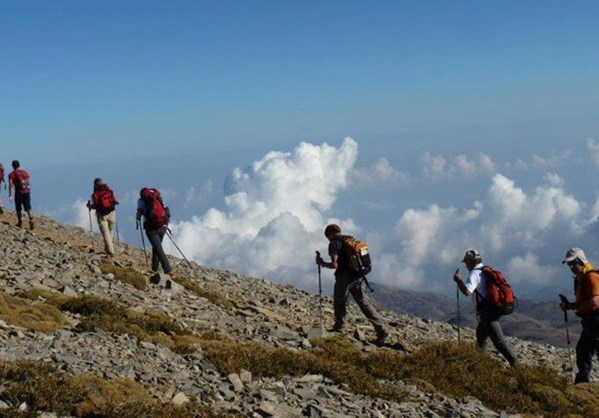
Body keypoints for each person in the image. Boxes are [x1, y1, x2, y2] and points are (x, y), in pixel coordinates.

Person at [316, 224, 388, 344]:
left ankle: (340, 328)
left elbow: (334, 265)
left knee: (339, 301)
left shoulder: (334, 243)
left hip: (344, 277)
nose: (328, 239)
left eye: (328, 236)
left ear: (331, 234)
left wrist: (322, 263)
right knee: (364, 304)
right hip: (359, 276)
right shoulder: (351, 241)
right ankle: (381, 330)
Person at [453, 249, 517, 366]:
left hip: (487, 312)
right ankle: (480, 362)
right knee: (481, 335)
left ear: (470, 261)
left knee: (498, 340)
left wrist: (459, 281)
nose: (466, 265)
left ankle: (516, 366)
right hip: (492, 309)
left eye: (466, 262)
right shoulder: (485, 269)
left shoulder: (474, 274)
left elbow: (467, 292)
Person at [560, 247, 599, 384]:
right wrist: (570, 306)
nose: (571, 267)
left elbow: (595, 302)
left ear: (580, 261)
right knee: (582, 351)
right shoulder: (582, 277)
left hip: (596, 321)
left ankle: (583, 382)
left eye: (572, 263)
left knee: (585, 351)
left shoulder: (591, 276)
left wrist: (573, 306)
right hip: (590, 322)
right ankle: (582, 383)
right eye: (569, 264)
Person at [136, 187, 172, 275]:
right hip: (162, 226)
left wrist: (138, 217)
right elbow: (165, 208)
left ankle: (167, 269)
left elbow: (139, 212)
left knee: (158, 248)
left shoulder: (141, 200)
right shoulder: (157, 197)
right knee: (156, 247)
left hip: (151, 228)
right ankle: (154, 269)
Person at [86, 178, 119, 257]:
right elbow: (115, 201)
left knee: (106, 234)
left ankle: (111, 251)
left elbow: (95, 205)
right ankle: (108, 249)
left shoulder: (95, 194)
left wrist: (89, 206)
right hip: (112, 214)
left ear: (96, 185)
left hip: (102, 216)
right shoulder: (109, 191)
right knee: (110, 231)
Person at [8, 160, 34, 230]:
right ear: (19, 165)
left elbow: (11, 185)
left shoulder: (12, 174)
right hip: (27, 192)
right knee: (28, 207)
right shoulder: (25, 172)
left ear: (13, 166)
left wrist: (11, 194)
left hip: (19, 193)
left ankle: (20, 222)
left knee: (18, 208)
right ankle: (31, 219)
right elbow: (28, 181)